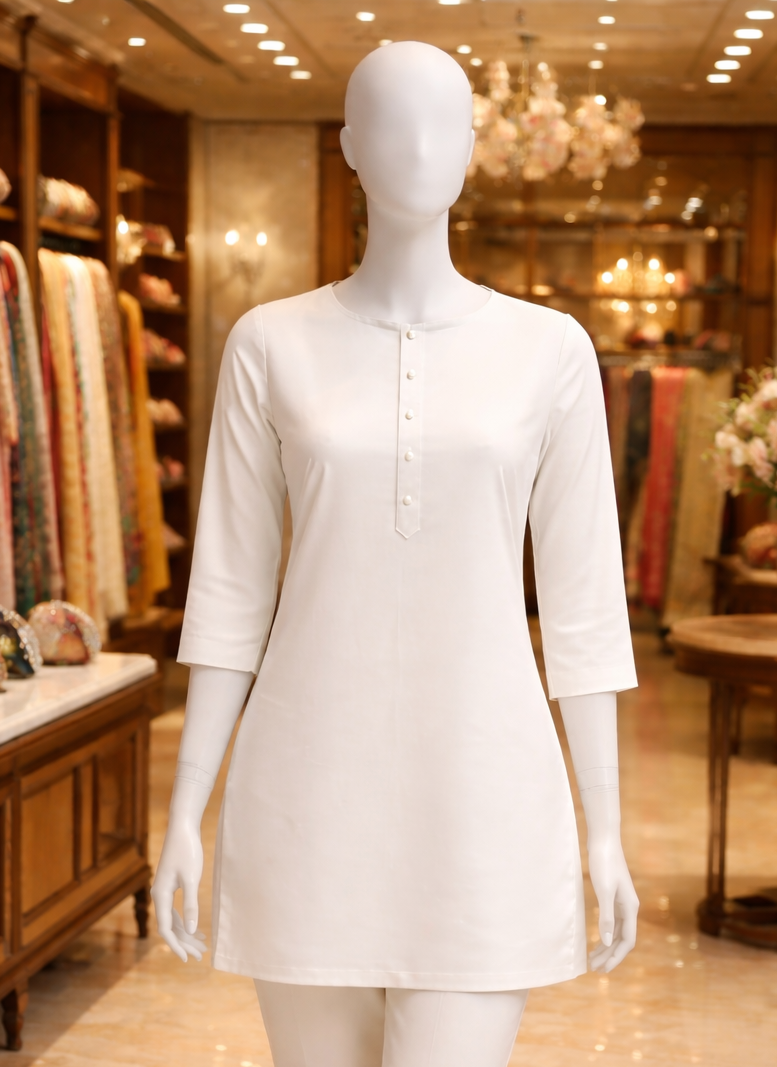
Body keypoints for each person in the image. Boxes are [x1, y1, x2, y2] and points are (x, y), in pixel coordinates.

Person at [152, 41, 639, 1067]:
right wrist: (186, 805)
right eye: (389, 123)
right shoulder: (269, 342)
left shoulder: (548, 350)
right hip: (306, 792)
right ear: (348, 147)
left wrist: (604, 828)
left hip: (485, 792)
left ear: (472, 150)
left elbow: (586, 608)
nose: (417, 147)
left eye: (442, 126)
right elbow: (230, 589)